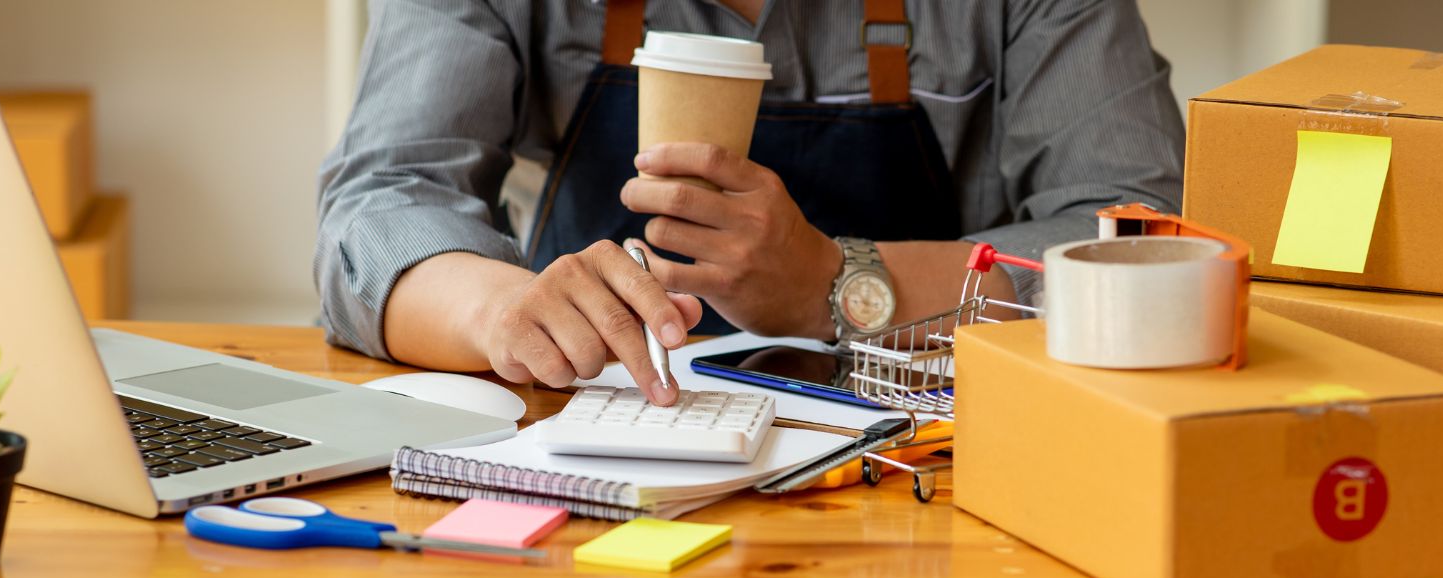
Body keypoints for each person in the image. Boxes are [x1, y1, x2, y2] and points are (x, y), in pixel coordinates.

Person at [316, 0, 1184, 406]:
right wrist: (509, 310)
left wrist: (838, 283)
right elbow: (378, 205)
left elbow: (1143, 237)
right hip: (589, 435)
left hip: (921, 444)